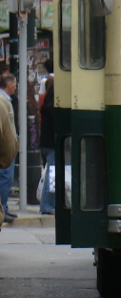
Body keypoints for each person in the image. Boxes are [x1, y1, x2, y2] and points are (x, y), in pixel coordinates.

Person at [0, 74, 17, 223]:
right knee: (5, 178)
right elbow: (6, 134)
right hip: (5, 153)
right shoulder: (2, 102)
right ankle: (3, 208)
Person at [39, 69, 55, 215]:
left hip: (47, 142)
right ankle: (48, 205)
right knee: (52, 173)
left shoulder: (47, 99)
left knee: (51, 172)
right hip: (52, 143)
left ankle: (49, 204)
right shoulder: (52, 104)